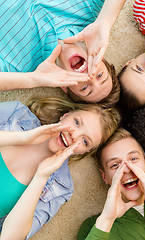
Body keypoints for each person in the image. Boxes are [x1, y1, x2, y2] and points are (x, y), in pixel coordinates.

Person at [0, 97, 120, 238]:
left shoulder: (60, 188)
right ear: (66, 115)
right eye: (76, 122)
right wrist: (23, 138)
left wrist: (41, 177)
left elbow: (11, 237)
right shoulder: (16, 114)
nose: (74, 135)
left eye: (85, 141)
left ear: (85, 151)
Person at [0, 0, 120, 106]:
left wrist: (32, 80)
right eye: (100, 75)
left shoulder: (18, 66)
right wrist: (106, 21)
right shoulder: (89, 11)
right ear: (102, 59)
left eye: (85, 88)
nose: (90, 77)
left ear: (65, 87)